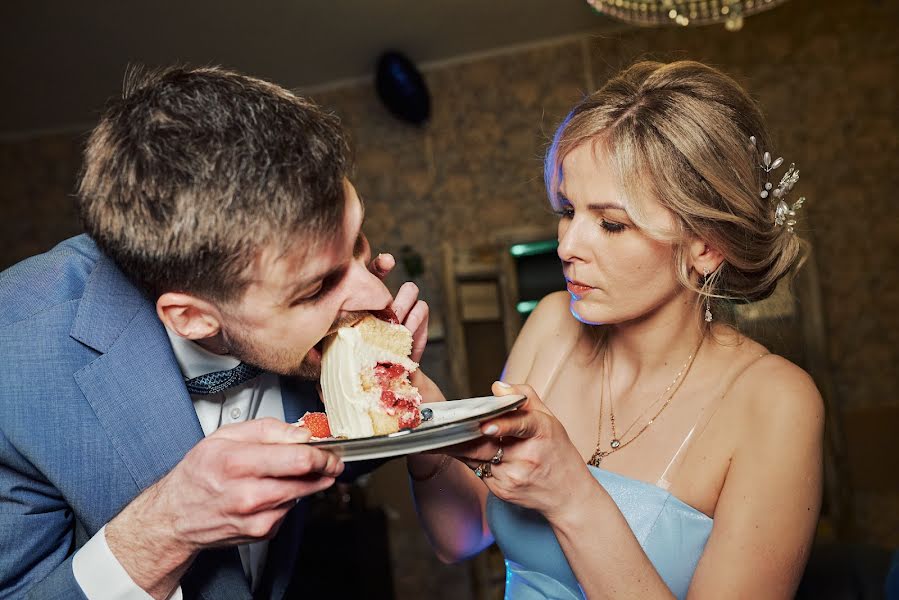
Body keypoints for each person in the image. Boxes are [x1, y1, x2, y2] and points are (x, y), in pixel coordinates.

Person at [0, 66, 430, 599]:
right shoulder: (12, 362)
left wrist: (378, 394)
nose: (378, 296)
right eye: (318, 286)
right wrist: (167, 528)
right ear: (192, 317)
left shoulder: (297, 267)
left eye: (358, 240)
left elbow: (323, 461)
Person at [408, 60, 823, 599]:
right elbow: (461, 537)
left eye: (610, 223)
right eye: (566, 210)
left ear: (705, 244)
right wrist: (422, 422)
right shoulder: (554, 325)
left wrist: (572, 497)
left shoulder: (775, 401)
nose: (567, 246)